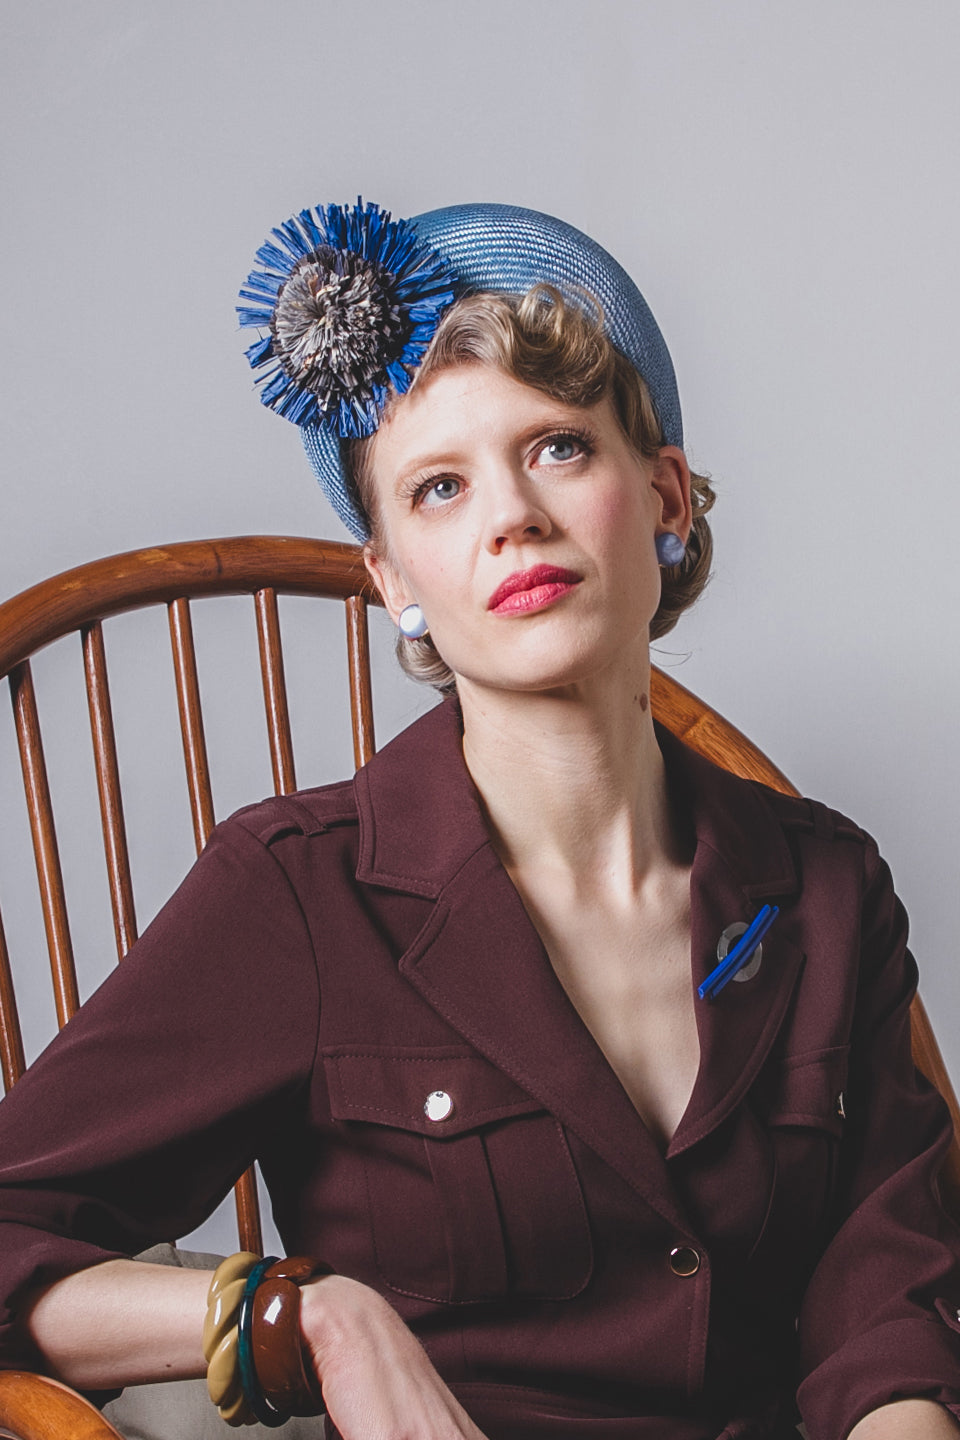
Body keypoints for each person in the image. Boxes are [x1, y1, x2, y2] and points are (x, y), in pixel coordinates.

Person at [0, 199, 959, 1440]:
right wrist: (309, 1318)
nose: (512, 515)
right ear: (393, 578)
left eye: (557, 447)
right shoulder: (299, 891)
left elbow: (882, 1311)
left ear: (665, 497)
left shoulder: (824, 887)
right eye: (440, 487)